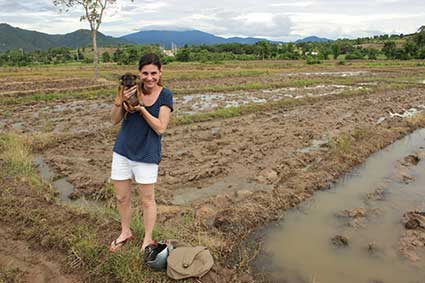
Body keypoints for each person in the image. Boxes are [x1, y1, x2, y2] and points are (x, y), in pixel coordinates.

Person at [109, 53, 173, 253]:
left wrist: (141, 109)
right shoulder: (129, 90)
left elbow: (161, 128)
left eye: (154, 73)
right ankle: (125, 231)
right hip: (122, 151)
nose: (149, 77)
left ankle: (147, 238)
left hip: (146, 154)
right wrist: (120, 101)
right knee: (121, 197)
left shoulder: (165, 95)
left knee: (147, 200)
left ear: (160, 72)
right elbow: (114, 120)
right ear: (139, 74)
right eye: (145, 73)